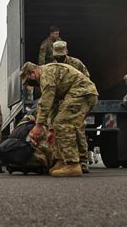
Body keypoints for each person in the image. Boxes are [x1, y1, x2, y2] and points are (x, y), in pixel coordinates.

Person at [20, 62, 98, 177]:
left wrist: (38, 126)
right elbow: (53, 106)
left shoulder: (45, 75)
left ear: (32, 72)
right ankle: (62, 161)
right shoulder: (48, 73)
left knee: (63, 123)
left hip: (82, 93)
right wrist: (51, 129)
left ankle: (72, 164)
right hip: (80, 93)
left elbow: (46, 101)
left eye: (29, 79)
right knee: (58, 124)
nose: (31, 83)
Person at [53, 41, 91, 172]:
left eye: (61, 57)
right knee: (64, 130)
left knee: (79, 129)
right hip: (63, 103)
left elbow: (87, 80)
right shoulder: (54, 66)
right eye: (57, 57)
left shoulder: (76, 63)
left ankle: (83, 161)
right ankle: (65, 159)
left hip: (78, 100)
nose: (59, 59)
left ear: (66, 52)